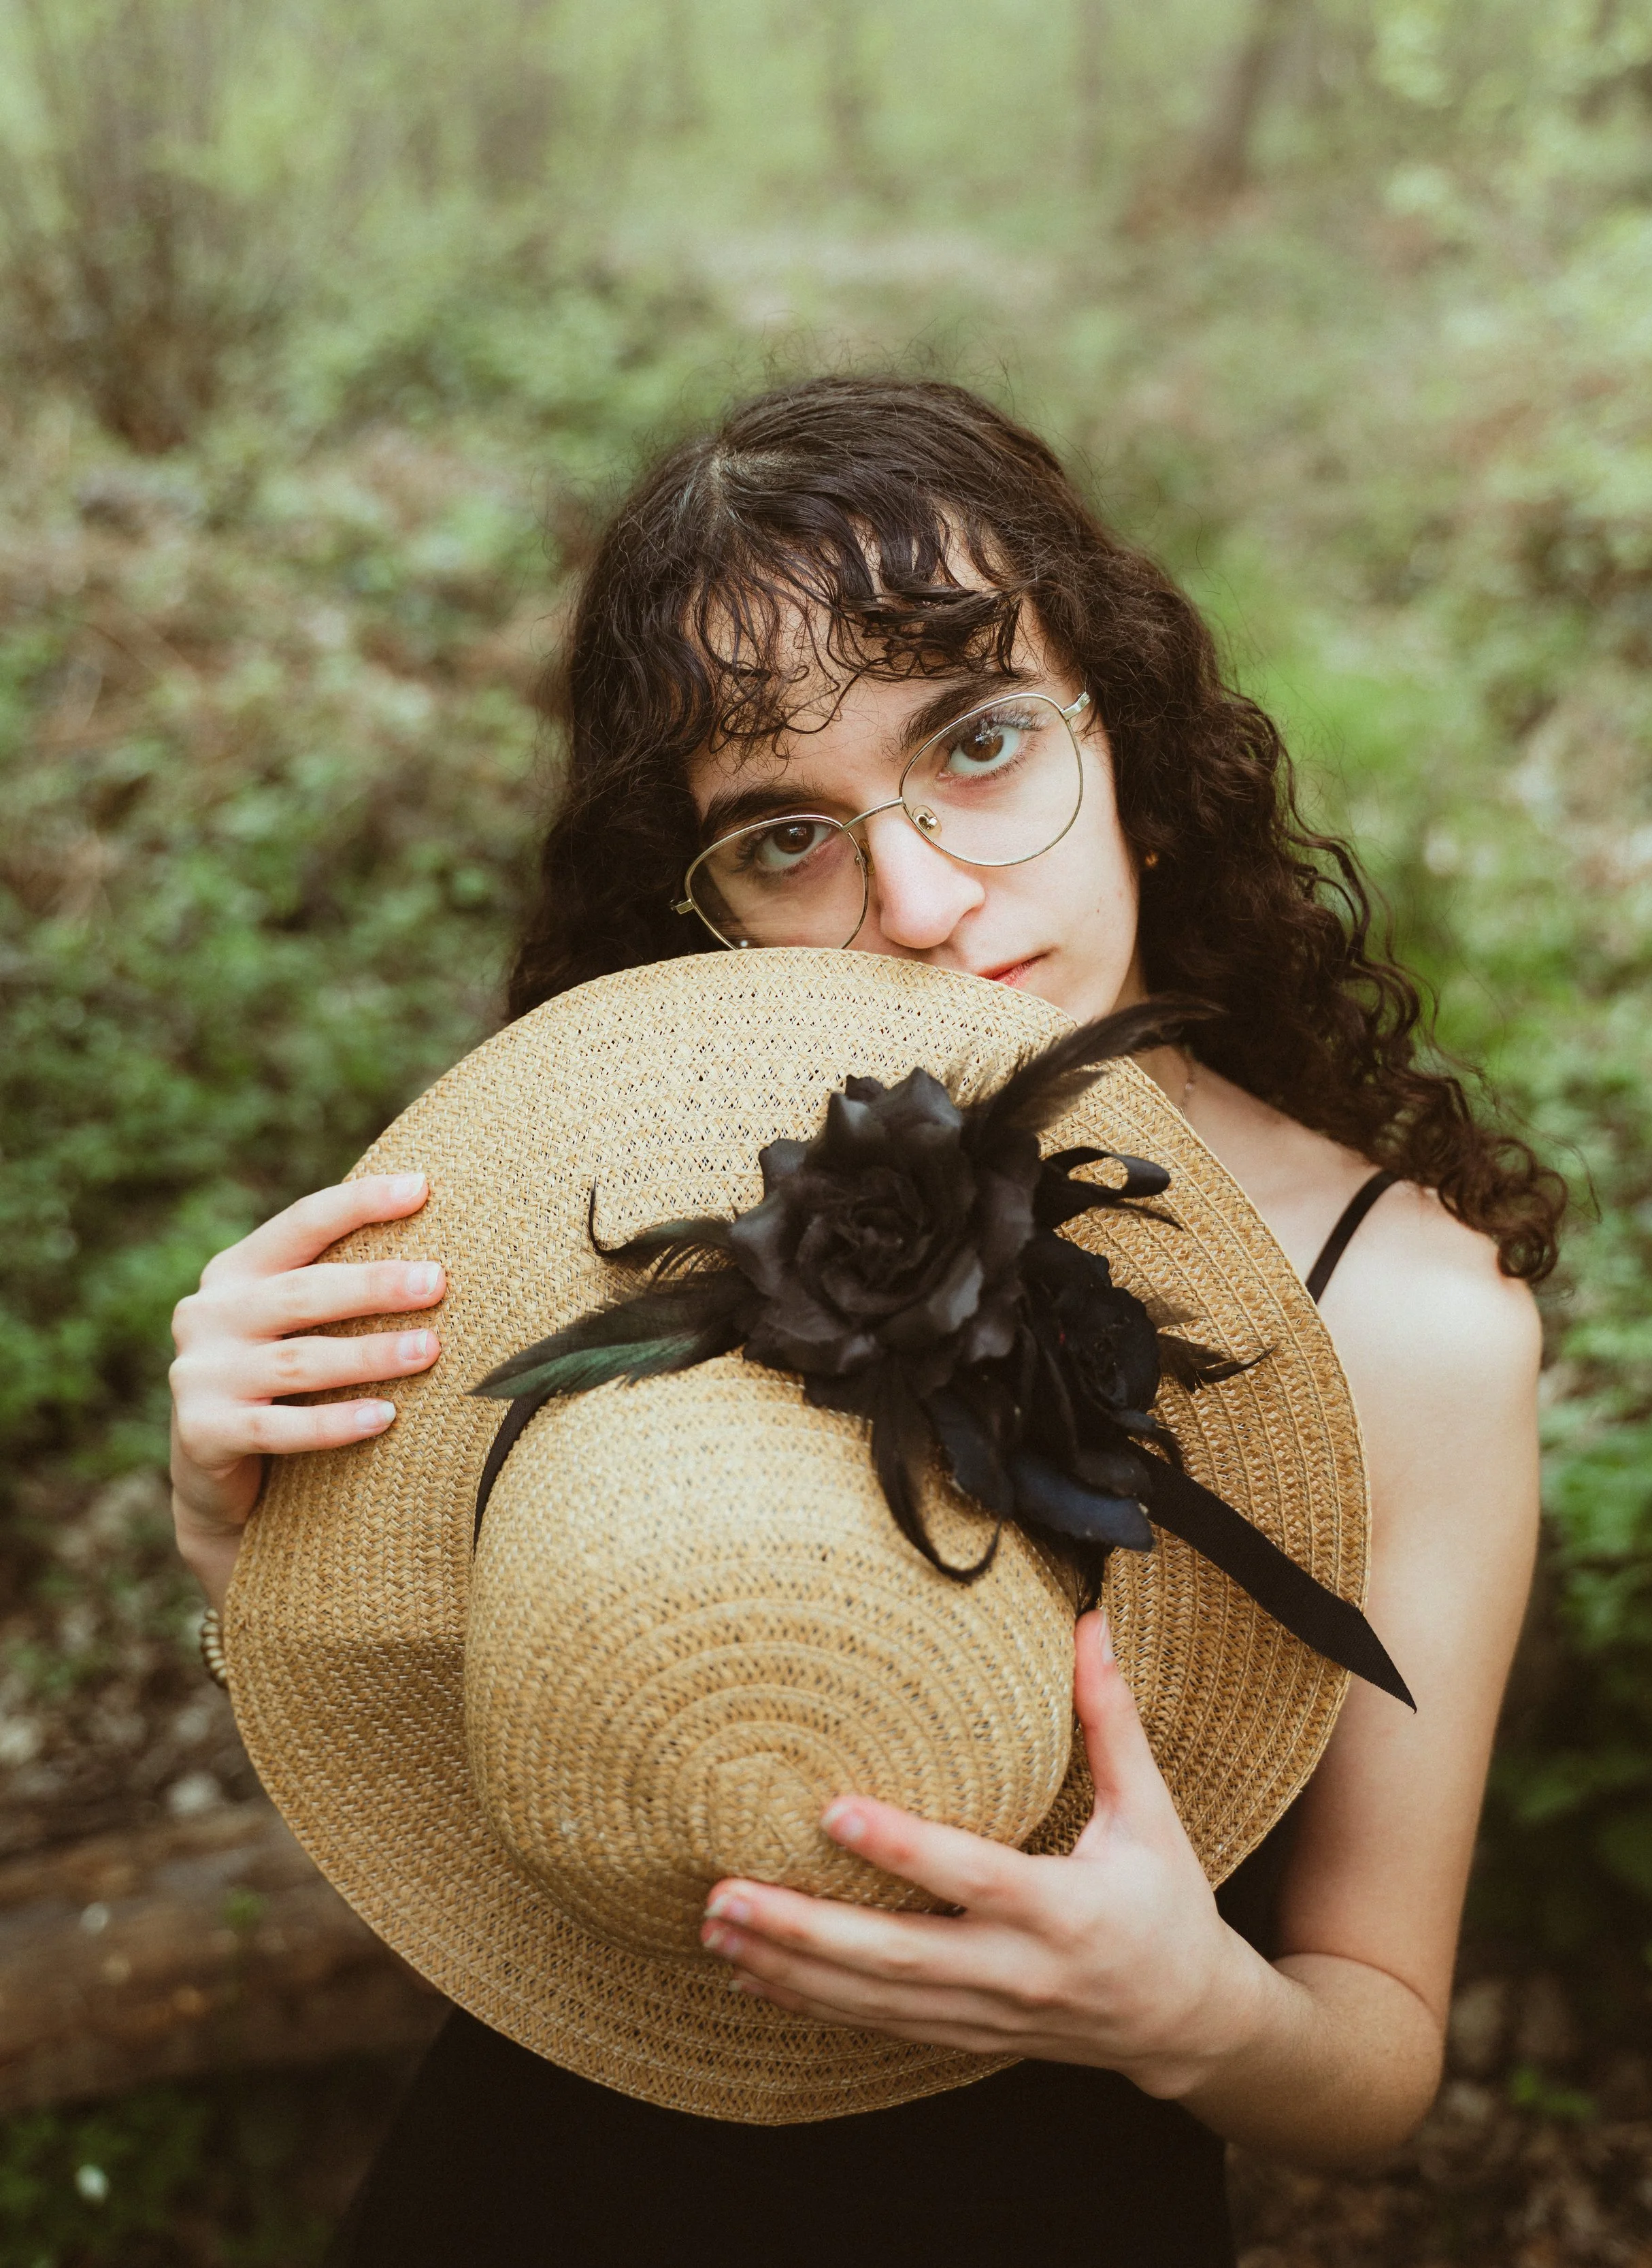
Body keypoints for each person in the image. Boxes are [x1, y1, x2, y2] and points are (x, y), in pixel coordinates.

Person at [167, 376, 1561, 2264]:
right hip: (537, 2176)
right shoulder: (609, 1185)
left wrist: (1195, 2011)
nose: (916, 898)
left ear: (1125, 742)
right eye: (782, 836)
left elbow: (1374, 2063)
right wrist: (244, 1521)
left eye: (980, 741)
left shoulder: (1412, 1327)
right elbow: (442, 1741)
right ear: (704, 910)